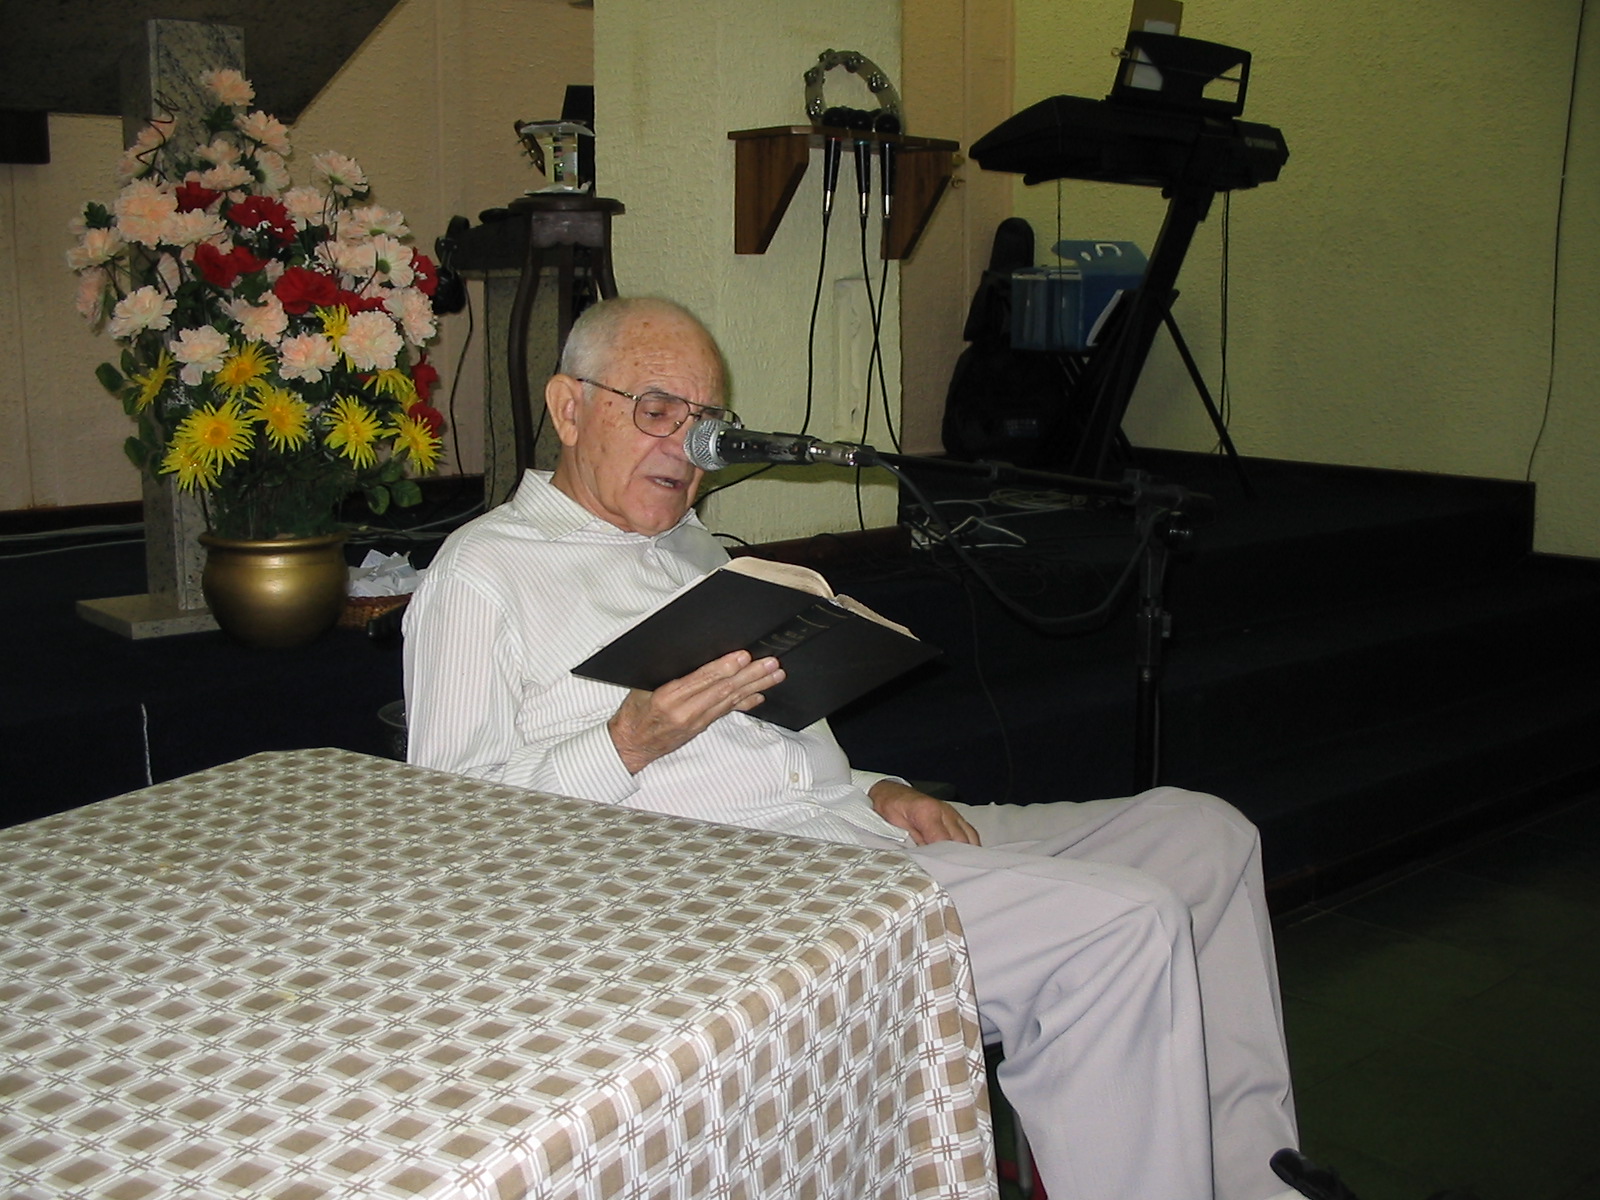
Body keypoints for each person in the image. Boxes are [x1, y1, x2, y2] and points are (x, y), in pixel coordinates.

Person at [403, 296, 1302, 1200]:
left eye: (707, 421)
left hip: (851, 829)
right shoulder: (483, 573)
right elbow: (446, 836)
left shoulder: (694, 548)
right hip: (744, 891)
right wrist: (626, 742)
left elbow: (774, 751)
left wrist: (881, 788)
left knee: (1205, 838)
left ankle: (1258, 1184)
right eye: (657, 411)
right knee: (1122, 924)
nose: (689, 446)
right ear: (568, 408)